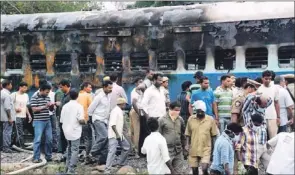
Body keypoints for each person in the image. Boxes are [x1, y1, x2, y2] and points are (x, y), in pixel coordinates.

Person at [185, 100, 218, 175]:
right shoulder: (191, 119)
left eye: (201, 111)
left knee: (204, 168)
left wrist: (214, 149)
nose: (199, 113)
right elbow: (188, 133)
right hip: (194, 148)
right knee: (194, 171)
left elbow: (214, 135)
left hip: (206, 148)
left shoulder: (210, 120)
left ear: (204, 111)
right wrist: (187, 144)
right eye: (198, 111)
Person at [60, 89, 86, 174]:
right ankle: (71, 170)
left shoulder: (65, 106)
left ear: (69, 96)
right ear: (77, 96)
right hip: (75, 131)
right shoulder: (79, 106)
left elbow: (61, 120)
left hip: (66, 131)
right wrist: (85, 121)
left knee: (69, 149)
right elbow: (81, 120)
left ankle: (67, 168)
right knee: (75, 149)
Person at [88, 80, 113, 164]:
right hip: (98, 119)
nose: (111, 89)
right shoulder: (99, 96)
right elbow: (90, 108)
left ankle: (102, 160)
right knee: (104, 136)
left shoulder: (108, 96)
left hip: (105, 120)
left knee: (107, 140)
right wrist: (91, 120)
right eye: (109, 88)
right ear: (104, 87)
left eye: (111, 88)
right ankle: (92, 153)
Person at [104, 98, 131, 173]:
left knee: (126, 147)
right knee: (112, 151)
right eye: (125, 104)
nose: (125, 105)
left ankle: (120, 163)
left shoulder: (119, 111)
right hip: (114, 134)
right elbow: (112, 124)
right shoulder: (115, 111)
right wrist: (117, 134)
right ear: (122, 104)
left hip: (119, 134)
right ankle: (107, 170)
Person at [158, 101, 186, 174]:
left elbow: (183, 134)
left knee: (180, 171)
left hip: (178, 150)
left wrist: (185, 146)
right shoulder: (162, 120)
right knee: (167, 171)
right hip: (167, 151)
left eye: (179, 110)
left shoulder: (180, 119)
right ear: (170, 108)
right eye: (176, 110)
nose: (177, 112)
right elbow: (158, 136)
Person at [30, 83, 54, 163]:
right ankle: (36, 157)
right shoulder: (34, 97)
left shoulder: (47, 97)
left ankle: (48, 156)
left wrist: (51, 106)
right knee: (37, 140)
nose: (48, 93)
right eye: (47, 92)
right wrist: (45, 106)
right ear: (41, 90)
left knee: (49, 139)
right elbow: (34, 109)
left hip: (47, 121)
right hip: (38, 121)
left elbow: (50, 110)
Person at [257, 70, 280, 139]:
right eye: (266, 79)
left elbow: (276, 103)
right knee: (261, 138)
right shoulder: (259, 89)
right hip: (261, 117)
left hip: (272, 116)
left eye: (270, 79)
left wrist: (278, 117)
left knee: (273, 138)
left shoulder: (275, 88)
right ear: (262, 78)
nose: (268, 80)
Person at [11, 82, 31, 148]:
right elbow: (9, 105)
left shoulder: (26, 95)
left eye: (26, 88)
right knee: (19, 131)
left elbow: (26, 106)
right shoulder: (14, 95)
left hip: (24, 116)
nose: (25, 89)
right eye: (24, 87)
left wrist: (29, 115)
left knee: (19, 131)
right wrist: (15, 109)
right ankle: (20, 145)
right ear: (20, 87)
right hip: (16, 116)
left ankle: (14, 144)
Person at [77, 82, 93, 164]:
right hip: (85, 120)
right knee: (89, 138)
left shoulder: (78, 95)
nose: (91, 89)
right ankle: (87, 156)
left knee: (79, 139)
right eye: (89, 87)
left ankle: (77, 155)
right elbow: (91, 107)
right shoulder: (87, 95)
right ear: (84, 87)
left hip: (77, 120)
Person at [129, 78, 143, 158]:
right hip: (136, 111)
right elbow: (134, 103)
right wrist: (139, 113)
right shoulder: (135, 91)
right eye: (140, 82)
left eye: (142, 82)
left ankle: (135, 149)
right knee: (136, 132)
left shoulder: (140, 91)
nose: (141, 83)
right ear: (136, 84)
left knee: (134, 131)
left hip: (136, 111)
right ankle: (136, 151)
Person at [0, 80, 15, 153]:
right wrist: (10, 118)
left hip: (1, 117)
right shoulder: (7, 95)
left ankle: (2, 147)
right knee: (7, 132)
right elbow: (7, 107)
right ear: (8, 85)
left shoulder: (1, 93)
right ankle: (6, 148)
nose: (11, 86)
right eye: (11, 84)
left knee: (3, 132)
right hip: (6, 118)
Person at [58, 79, 71, 158]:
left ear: (66, 86)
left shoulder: (70, 96)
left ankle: (67, 154)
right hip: (62, 120)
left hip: (67, 121)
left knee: (67, 137)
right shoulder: (64, 95)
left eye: (61, 87)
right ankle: (64, 153)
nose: (60, 89)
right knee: (62, 136)